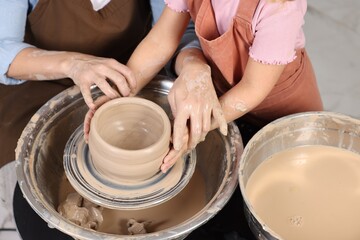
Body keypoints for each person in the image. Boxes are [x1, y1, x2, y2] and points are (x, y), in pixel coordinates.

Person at [90, 0, 324, 172]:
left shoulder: (281, 6)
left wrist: (190, 128)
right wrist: (123, 92)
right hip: (225, 88)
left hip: (281, 103)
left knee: (289, 171)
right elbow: (161, 40)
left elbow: (253, 89)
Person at [0, 0, 200, 168]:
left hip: (129, 75)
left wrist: (192, 64)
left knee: (182, 142)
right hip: (42, 81)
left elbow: (173, 31)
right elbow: (3, 48)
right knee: (24, 162)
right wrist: (72, 64)